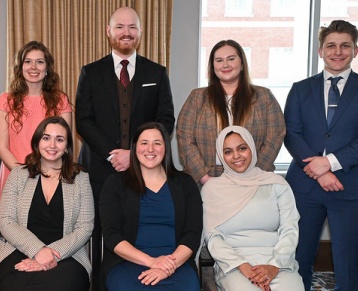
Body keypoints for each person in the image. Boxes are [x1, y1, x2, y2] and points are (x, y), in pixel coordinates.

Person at [283, 20, 358, 291]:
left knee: (347, 261)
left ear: (356, 50)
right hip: (305, 188)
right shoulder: (300, 89)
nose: (338, 51)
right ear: (321, 51)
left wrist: (328, 163)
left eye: (345, 45)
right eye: (331, 45)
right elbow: (292, 134)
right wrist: (319, 172)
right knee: (298, 258)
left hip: (352, 188)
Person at [75, 7, 175, 287]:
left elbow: (166, 118)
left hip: (144, 170)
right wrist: (112, 154)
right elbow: (83, 120)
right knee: (98, 233)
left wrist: (135, 154)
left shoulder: (157, 72)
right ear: (109, 31)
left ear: (140, 32)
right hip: (99, 169)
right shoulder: (90, 72)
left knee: (136, 228)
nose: (126, 32)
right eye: (120, 27)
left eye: (132, 27)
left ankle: (137, 279)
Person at [0, 116, 93, 291]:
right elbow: (6, 221)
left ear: (67, 147)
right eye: (46, 138)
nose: (52, 145)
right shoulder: (18, 175)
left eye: (59, 139)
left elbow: (85, 227)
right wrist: (38, 251)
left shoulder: (81, 179)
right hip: (17, 250)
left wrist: (51, 254)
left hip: (67, 255)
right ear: (37, 143)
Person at [100, 122, 202, 291]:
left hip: (176, 264)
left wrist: (168, 265)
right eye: (144, 143)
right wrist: (152, 262)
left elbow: (192, 234)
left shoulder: (186, 184)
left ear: (166, 148)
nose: (150, 149)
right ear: (134, 147)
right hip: (127, 263)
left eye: (157, 143)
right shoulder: (115, 184)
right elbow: (112, 236)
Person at [202, 126, 303, 291]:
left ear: (251, 148)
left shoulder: (276, 183)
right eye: (228, 152)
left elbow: (290, 230)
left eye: (242, 148)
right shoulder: (212, 189)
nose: (236, 156)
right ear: (221, 156)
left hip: (278, 262)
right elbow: (212, 237)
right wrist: (242, 265)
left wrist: (274, 266)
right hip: (233, 265)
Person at [177, 39, 285, 187]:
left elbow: (275, 136)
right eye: (219, 60)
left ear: (242, 64)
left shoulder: (263, 97)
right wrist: (204, 178)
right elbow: (185, 138)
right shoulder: (197, 97)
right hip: (208, 181)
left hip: (254, 182)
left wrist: (251, 175)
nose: (225, 65)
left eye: (231, 59)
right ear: (213, 66)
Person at [0, 40, 72, 227]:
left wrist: (44, 175)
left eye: (40, 61)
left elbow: (65, 143)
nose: (34, 67)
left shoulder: (61, 101)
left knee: (48, 231)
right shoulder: (5, 101)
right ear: (20, 68)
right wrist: (25, 173)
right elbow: (2, 147)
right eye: (28, 61)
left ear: (47, 68)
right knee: (15, 235)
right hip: (15, 176)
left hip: (51, 178)